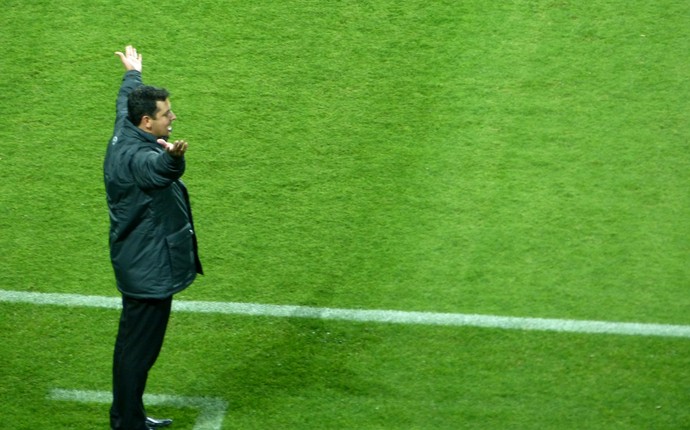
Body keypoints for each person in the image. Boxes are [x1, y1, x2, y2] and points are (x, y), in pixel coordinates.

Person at [104, 45, 203, 430]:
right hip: (148, 271)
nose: (173, 117)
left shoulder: (126, 125)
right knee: (137, 353)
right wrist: (173, 159)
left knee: (134, 349)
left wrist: (133, 75)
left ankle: (127, 415)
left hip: (138, 260)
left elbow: (124, 101)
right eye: (166, 114)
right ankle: (127, 423)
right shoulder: (138, 158)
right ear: (147, 123)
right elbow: (156, 171)